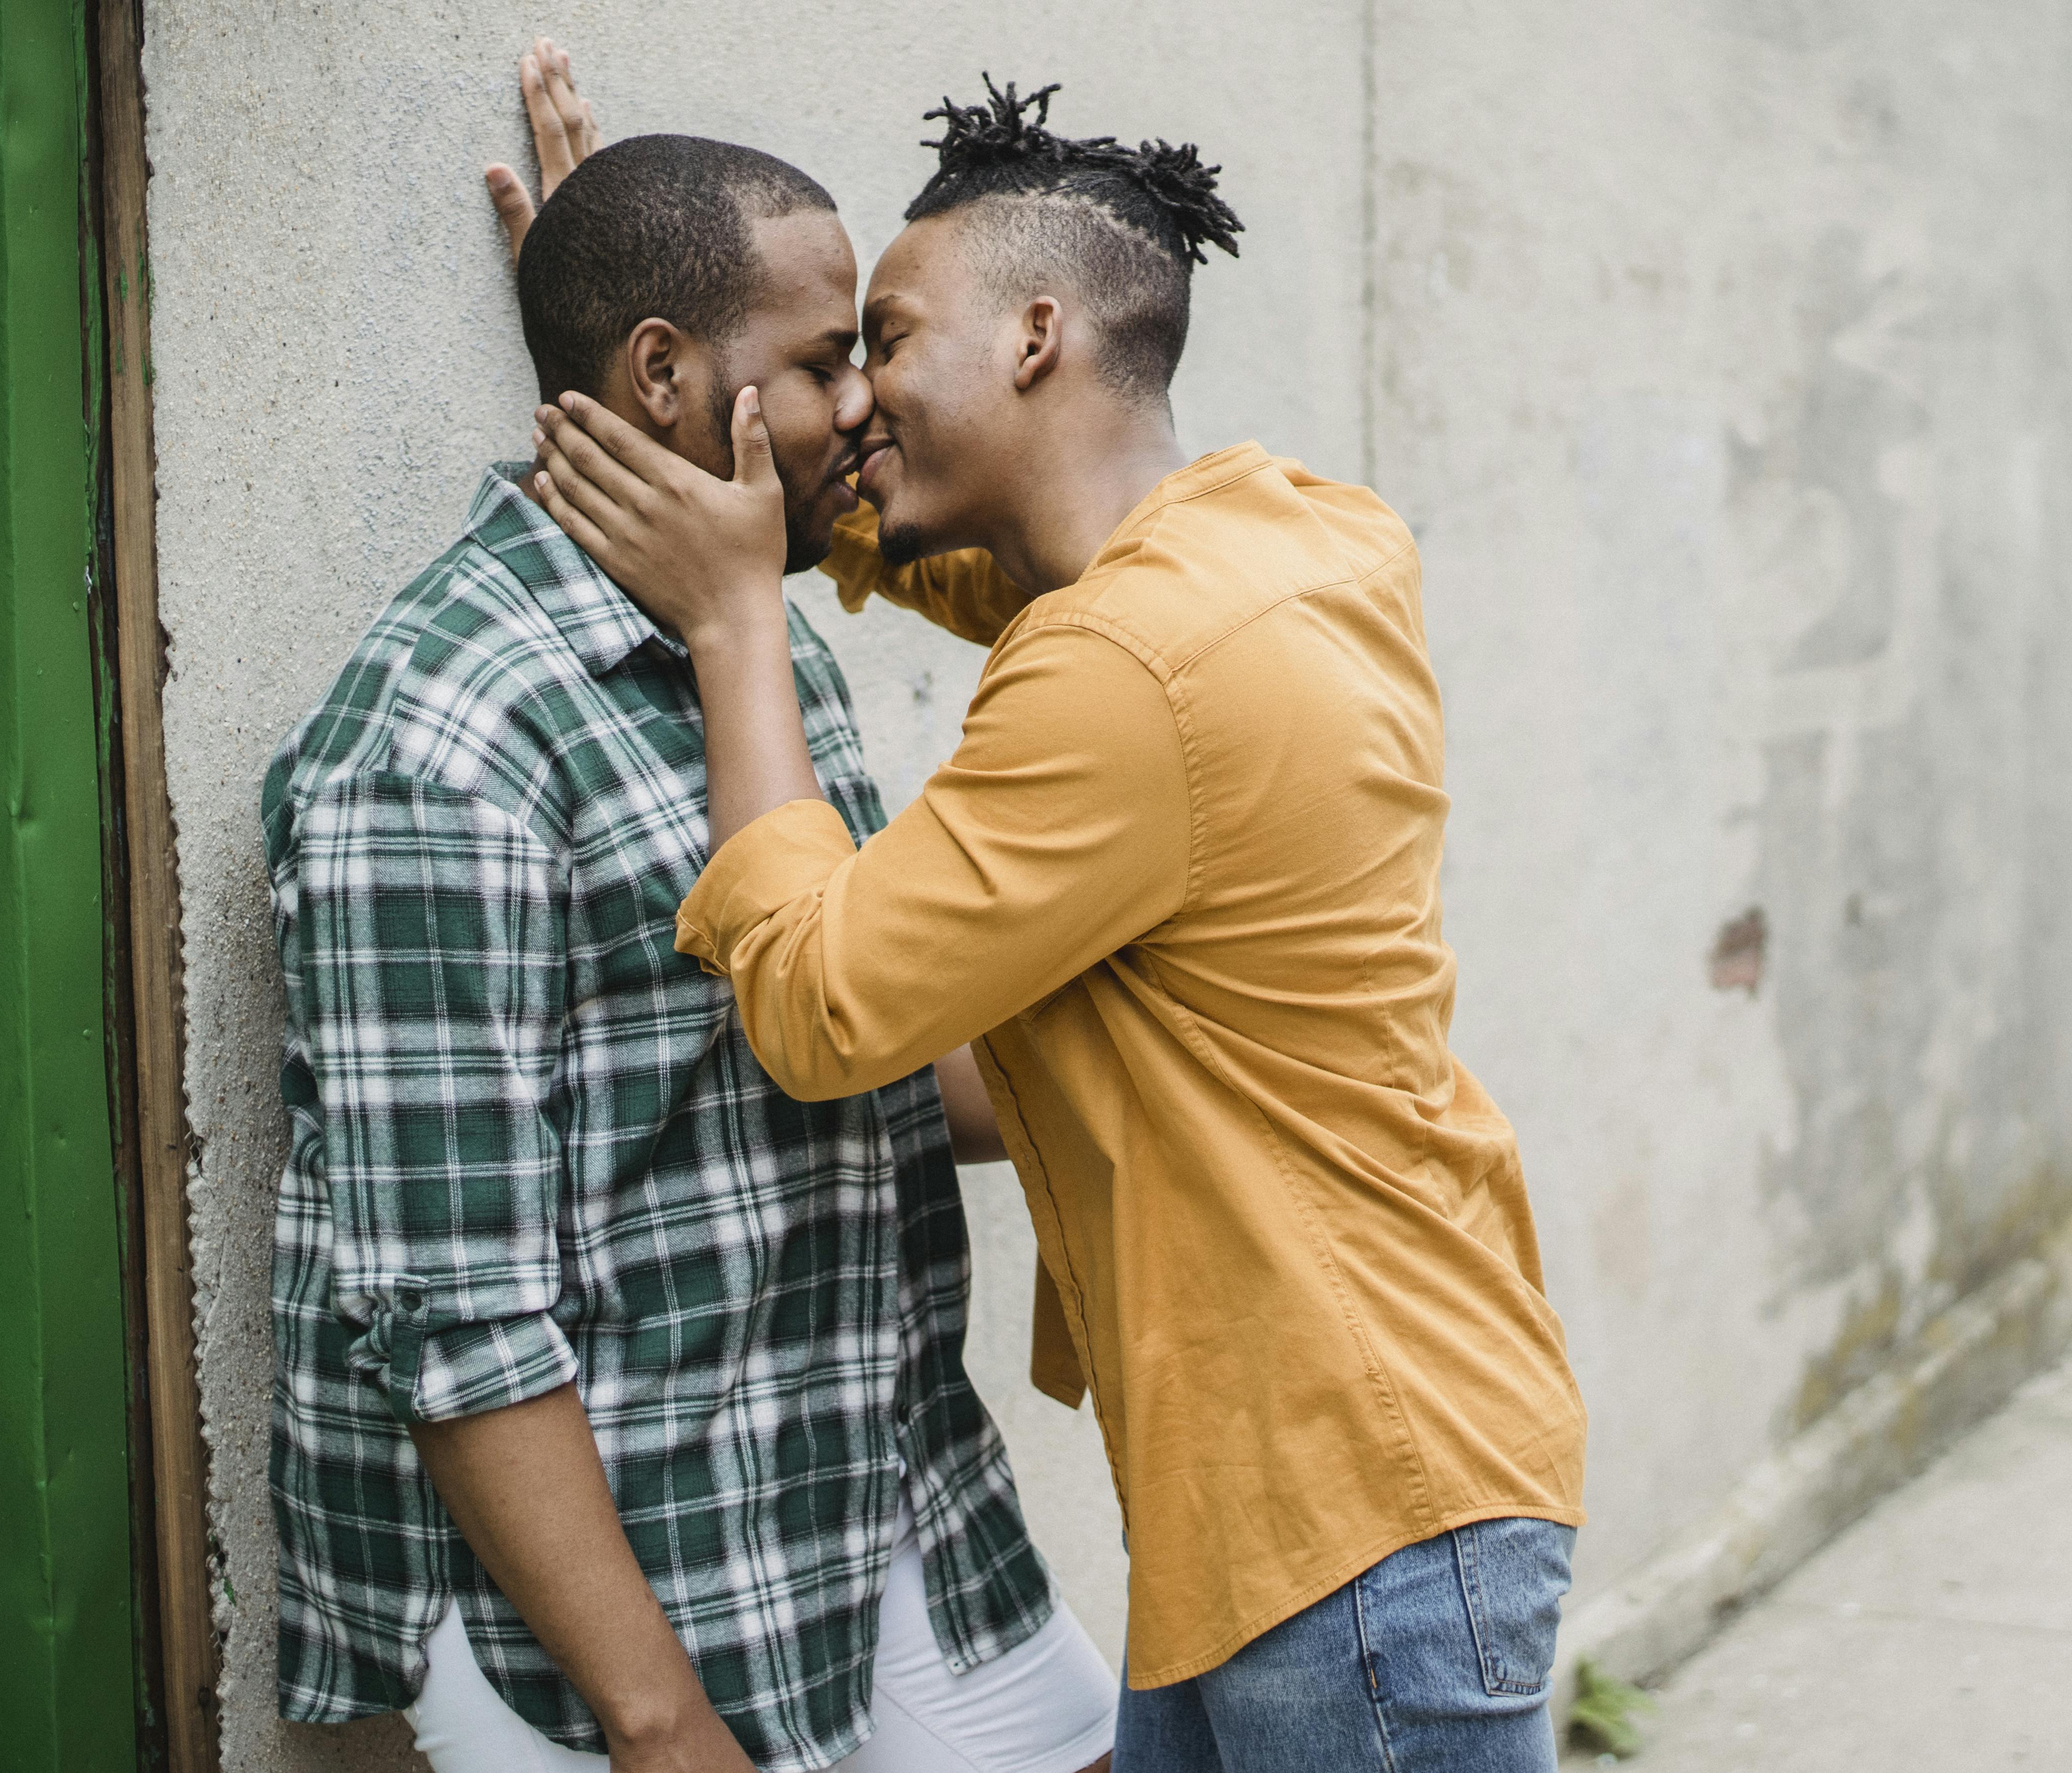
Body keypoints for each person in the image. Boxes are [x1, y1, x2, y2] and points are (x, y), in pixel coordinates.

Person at [525, 73, 1590, 1773]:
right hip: (1321, 1498)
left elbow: (819, 1003)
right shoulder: (1279, 542)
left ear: (1034, 335)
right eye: (829, 365)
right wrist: (660, 363)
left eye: (884, 337)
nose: (857, 394)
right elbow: (936, 550)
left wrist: (734, 622)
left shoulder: (1126, 674)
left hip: (1354, 1519)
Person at [265, 79, 1117, 1773]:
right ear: (663, 376)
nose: (866, 406)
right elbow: (453, 1302)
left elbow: (870, 1040)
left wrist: (1180, 1056)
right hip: (602, 1608)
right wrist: (653, 1720)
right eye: (821, 361)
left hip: (869, 1487)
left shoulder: (751, 633)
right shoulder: (437, 745)